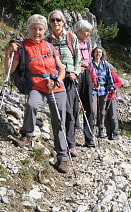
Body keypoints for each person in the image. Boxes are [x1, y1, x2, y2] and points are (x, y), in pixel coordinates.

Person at [5, 14, 69, 173]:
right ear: (29, 29)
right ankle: (26, 135)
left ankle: (63, 157)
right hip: (37, 85)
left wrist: (56, 81)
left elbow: (61, 69)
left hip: (56, 87)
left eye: (40, 29)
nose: (37, 32)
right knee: (32, 105)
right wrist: (8, 53)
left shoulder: (50, 46)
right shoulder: (22, 46)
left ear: (44, 30)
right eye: (34, 29)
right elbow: (9, 70)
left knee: (59, 120)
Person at [46, 10, 81, 157]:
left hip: (69, 79)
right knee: (59, 112)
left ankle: (70, 144)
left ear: (63, 22)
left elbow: (77, 58)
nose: (56, 23)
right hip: (55, 80)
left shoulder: (70, 37)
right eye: (53, 20)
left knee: (69, 112)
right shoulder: (48, 40)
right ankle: (61, 143)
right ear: (49, 23)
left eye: (58, 20)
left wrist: (75, 72)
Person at [75, 19, 97, 147]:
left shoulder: (88, 45)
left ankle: (89, 138)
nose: (88, 34)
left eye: (89, 31)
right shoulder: (72, 43)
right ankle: (70, 138)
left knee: (88, 105)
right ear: (79, 31)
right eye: (86, 31)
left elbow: (90, 63)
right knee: (73, 106)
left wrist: (93, 78)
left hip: (87, 74)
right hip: (76, 73)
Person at [91, 47, 115, 138]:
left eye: (100, 52)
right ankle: (92, 128)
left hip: (103, 90)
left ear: (102, 54)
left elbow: (109, 76)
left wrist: (112, 87)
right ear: (93, 53)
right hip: (93, 90)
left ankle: (100, 128)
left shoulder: (105, 64)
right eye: (96, 52)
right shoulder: (90, 64)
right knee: (93, 110)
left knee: (102, 111)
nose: (98, 54)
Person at [105, 70, 122, 140]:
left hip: (111, 97)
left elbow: (119, 82)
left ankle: (115, 133)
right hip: (102, 97)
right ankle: (108, 133)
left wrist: (113, 86)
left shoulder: (111, 73)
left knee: (113, 116)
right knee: (105, 116)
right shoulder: (99, 73)